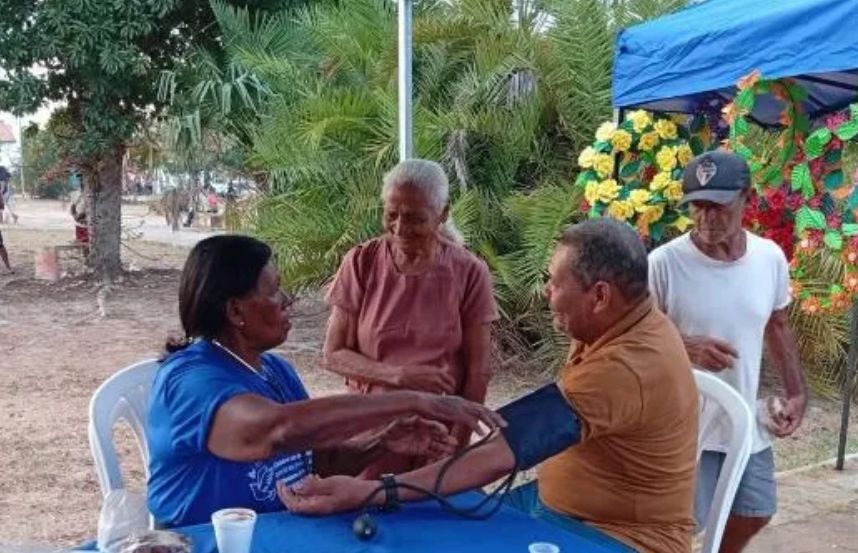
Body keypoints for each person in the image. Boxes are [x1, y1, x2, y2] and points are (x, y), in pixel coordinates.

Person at [282, 219, 699, 553]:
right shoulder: (618, 323)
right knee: (431, 519)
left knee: (423, 523)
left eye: (555, 283)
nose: (546, 294)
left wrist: (375, 489)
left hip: (617, 537)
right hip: (558, 504)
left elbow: (505, 450)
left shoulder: (625, 366)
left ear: (601, 295)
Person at [147, 234, 504, 528]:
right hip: (203, 541)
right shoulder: (190, 379)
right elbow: (274, 432)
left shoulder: (274, 370)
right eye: (274, 292)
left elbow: (316, 463)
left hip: (281, 532)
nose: (287, 301)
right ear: (235, 310)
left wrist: (382, 441)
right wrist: (413, 399)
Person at [648, 150, 807, 553]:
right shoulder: (663, 264)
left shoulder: (769, 258)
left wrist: (797, 391)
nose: (705, 219)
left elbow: (777, 324)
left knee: (756, 509)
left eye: (717, 206)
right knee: (678, 527)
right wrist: (683, 346)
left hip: (743, 419)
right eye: (696, 207)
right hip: (683, 425)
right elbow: (632, 339)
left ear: (746, 199)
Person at [323, 159, 498, 477]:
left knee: (428, 518)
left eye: (415, 219)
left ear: (442, 215)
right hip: (370, 429)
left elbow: (478, 371)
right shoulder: (361, 262)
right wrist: (399, 376)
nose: (400, 229)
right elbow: (333, 355)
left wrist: (453, 451)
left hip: (437, 433)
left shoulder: (470, 272)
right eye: (391, 215)